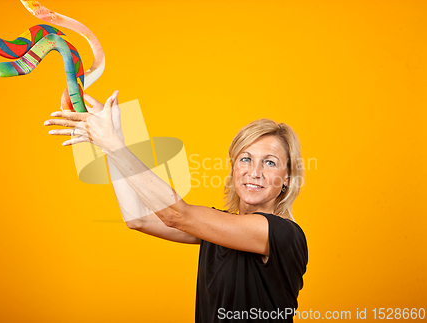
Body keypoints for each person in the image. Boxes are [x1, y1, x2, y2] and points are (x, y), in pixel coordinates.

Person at [44, 91, 308, 322]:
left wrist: (112, 142)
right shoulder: (216, 228)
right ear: (234, 168)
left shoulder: (282, 234)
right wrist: (111, 143)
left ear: (287, 177)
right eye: (246, 159)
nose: (255, 171)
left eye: (270, 162)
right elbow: (139, 218)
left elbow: (175, 215)